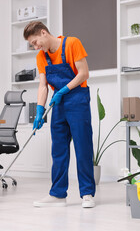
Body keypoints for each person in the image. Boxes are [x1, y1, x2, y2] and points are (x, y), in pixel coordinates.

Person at [23, 21, 95, 208]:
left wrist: (63, 89)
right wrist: (40, 110)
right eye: (32, 45)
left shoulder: (72, 43)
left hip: (77, 99)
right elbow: (43, 85)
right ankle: (57, 194)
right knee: (59, 150)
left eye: (35, 41)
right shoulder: (41, 57)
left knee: (83, 146)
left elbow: (84, 73)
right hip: (59, 103)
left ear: (44, 33)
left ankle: (87, 193)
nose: (35, 46)